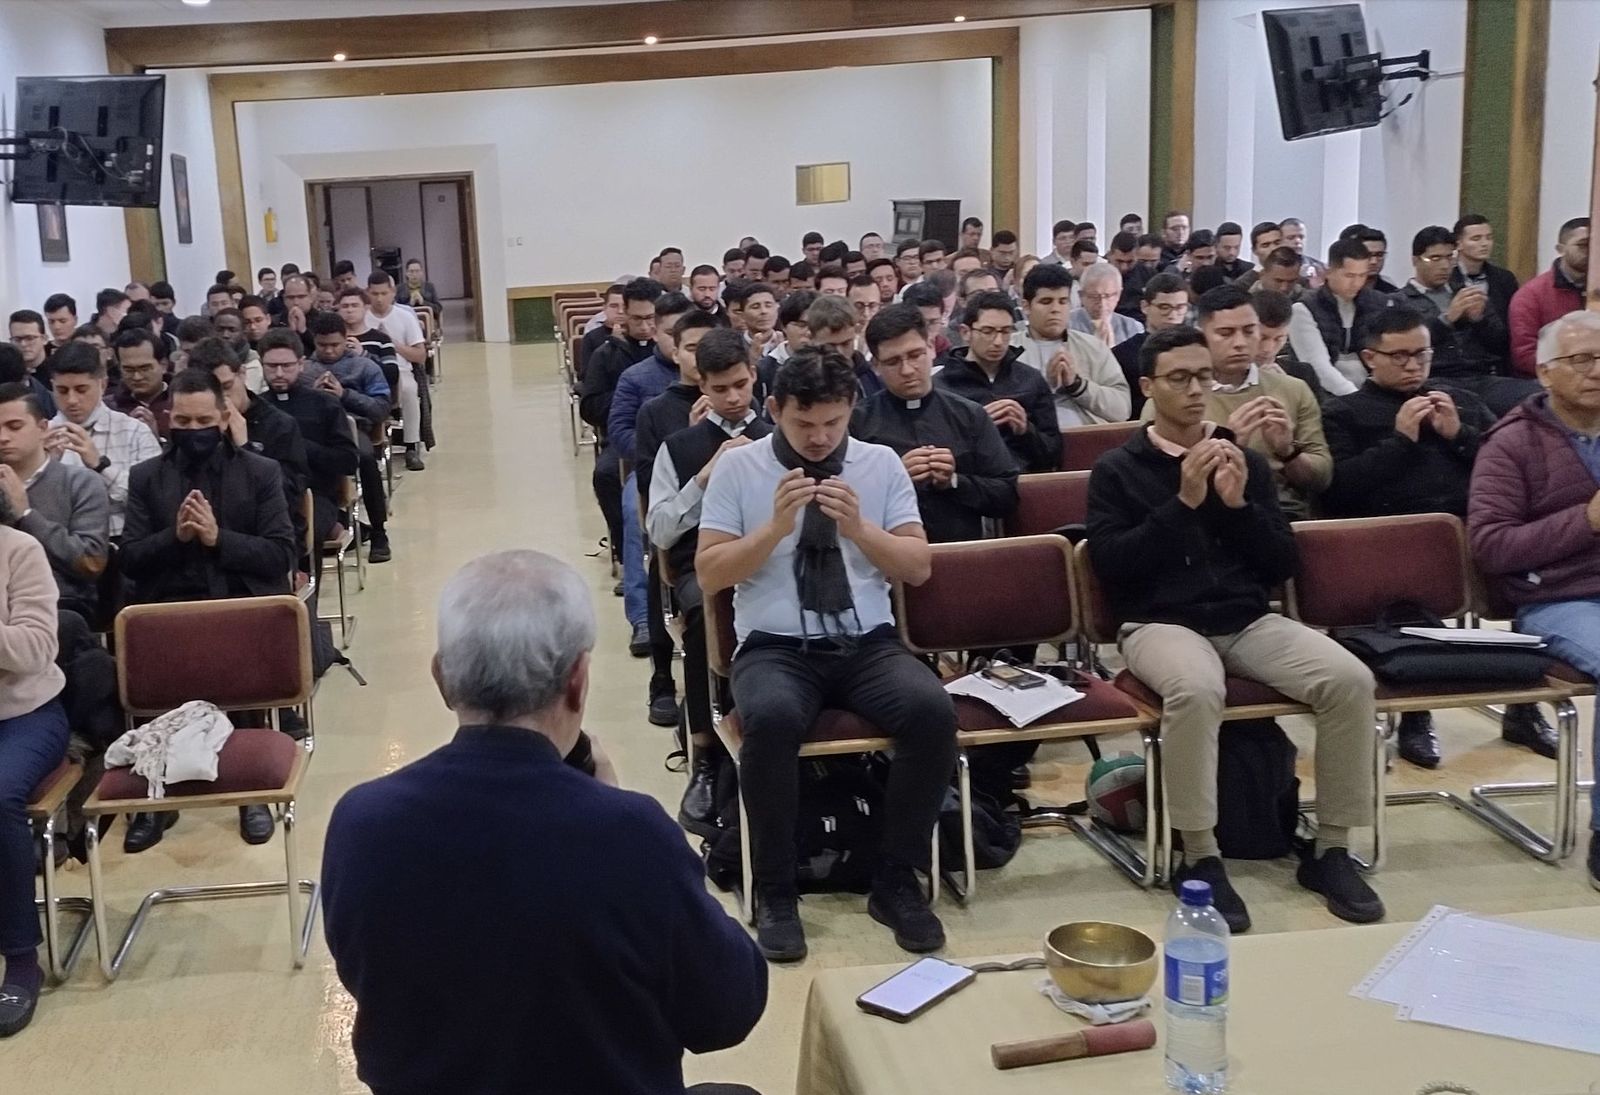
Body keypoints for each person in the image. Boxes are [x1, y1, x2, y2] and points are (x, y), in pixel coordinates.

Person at [321, 550, 767, 1093]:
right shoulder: (629, 835)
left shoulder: (361, 824)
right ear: (578, 680)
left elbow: (369, 977)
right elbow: (728, 1011)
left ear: (442, 677)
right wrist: (614, 807)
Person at [1087, 325, 1383, 932]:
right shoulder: (1118, 467)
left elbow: (1281, 565)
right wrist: (1184, 503)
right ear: (1147, 387)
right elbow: (1115, 570)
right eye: (1179, 378)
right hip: (1157, 624)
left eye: (1204, 377)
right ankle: (1202, 855)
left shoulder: (1241, 458)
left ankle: (1330, 847)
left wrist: (1241, 506)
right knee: (1197, 689)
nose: (1196, 390)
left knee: (1349, 678)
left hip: (1245, 620)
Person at [697, 347, 957, 962]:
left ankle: (896, 880)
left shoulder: (879, 464)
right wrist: (773, 531)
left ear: (850, 413)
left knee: (931, 711)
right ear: (774, 410)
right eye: (802, 424)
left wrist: (862, 529)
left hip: (866, 643)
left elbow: (917, 568)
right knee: (772, 718)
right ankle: (777, 891)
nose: (818, 438)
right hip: (776, 647)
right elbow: (709, 574)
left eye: (832, 423)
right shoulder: (741, 470)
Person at [121, 369, 296, 849]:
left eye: (203, 419)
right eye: (182, 419)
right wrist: (174, 539)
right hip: (169, 608)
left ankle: (250, 793)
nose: (192, 430)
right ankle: (156, 795)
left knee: (235, 641)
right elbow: (132, 560)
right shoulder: (147, 477)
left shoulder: (260, 473)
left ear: (224, 418)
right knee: (153, 646)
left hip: (236, 605)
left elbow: (281, 553)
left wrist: (220, 539)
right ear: (168, 419)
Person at [1469, 309, 1600, 889]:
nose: (1596, 371)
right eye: (1581, 360)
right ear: (1545, 373)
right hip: (1560, 598)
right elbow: (1493, 546)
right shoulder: (1512, 443)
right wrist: (1587, 520)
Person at [648, 327, 772, 837]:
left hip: (769, 557)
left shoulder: (777, 436)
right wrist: (704, 478)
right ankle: (702, 753)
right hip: (704, 567)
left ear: (754, 376)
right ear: (704, 386)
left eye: (741, 384)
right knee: (707, 611)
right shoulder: (680, 447)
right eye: (721, 389)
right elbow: (657, 528)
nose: (734, 398)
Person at [1159, 284, 1331, 519]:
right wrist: (1230, 443)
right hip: (1202, 516)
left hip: (1282, 515)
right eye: (1226, 333)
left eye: (1249, 331)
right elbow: (1157, 482)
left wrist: (1287, 451)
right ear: (1201, 335)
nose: (1240, 342)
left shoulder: (1293, 389)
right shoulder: (1174, 394)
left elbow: (1322, 478)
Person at [849, 304, 1017, 544]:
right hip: (885, 558)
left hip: (961, 552)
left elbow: (1007, 495)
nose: (907, 370)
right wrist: (894, 479)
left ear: (930, 348)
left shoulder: (970, 415)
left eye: (915, 355)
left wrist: (954, 481)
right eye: (893, 361)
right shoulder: (857, 423)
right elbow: (843, 506)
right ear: (876, 366)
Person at [0, 521, 67, 1038]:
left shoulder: (18, 550)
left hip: (27, 714)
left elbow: (36, 648)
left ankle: (22, 959)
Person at [612, 293, 694, 666]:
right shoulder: (637, 377)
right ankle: (643, 616)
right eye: (668, 333)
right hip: (651, 471)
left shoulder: (719, 380)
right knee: (634, 511)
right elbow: (618, 430)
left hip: (707, 472)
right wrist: (663, 453)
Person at [1393, 225, 1538, 416]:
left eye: (1449, 258)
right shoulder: (1399, 301)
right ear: (1415, 260)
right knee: (1473, 409)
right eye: (1435, 258)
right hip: (1435, 379)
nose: (1444, 266)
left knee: (1539, 396)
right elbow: (1405, 346)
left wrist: (1479, 320)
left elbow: (1500, 343)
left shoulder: (1466, 293)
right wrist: (1446, 319)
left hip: (1480, 376)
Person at [0, 383, 110, 623]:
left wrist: (27, 515)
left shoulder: (80, 482)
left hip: (62, 603)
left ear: (42, 428)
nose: (3, 437)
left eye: (14, 426)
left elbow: (91, 563)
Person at [192, 336, 309, 551]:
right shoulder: (193, 428)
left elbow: (289, 498)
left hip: (266, 538)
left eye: (226, 386)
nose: (221, 397)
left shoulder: (280, 425)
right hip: (204, 537)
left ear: (242, 374)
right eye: (211, 391)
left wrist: (245, 447)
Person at [46, 340, 161, 542]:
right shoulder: (39, 436)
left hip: (121, 541)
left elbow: (153, 499)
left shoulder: (134, 431)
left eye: (81, 389)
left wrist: (100, 465)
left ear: (103, 384)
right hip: (56, 545)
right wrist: (45, 467)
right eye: (62, 391)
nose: (72, 400)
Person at [935, 290, 1060, 473]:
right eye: (988, 331)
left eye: (1005, 331)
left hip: (1026, 481)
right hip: (972, 485)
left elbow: (1055, 455)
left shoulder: (1031, 380)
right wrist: (978, 427)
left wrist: (1026, 430)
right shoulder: (941, 387)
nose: (998, 341)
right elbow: (939, 456)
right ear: (965, 332)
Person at [259, 329, 361, 548]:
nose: (278, 373)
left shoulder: (324, 404)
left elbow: (348, 461)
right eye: (271, 366)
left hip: (317, 496)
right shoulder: (257, 408)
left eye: (286, 366)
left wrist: (298, 446)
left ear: (301, 364)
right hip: (267, 497)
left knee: (298, 534)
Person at [1014, 262, 1130, 427]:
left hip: (1086, 442)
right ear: (1026, 306)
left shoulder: (1094, 347)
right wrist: (1045, 386)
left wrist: (1077, 385)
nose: (1056, 309)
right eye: (1046, 302)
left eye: (1063, 301)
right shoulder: (1008, 350)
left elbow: (1122, 410)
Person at [1288, 238, 1394, 398]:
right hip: (1321, 396)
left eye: (1362, 275)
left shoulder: (1379, 303)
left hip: (1373, 391)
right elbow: (1318, 366)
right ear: (1328, 271)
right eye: (1349, 275)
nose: (1356, 283)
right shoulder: (1304, 308)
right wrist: (1356, 399)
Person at [1510, 217, 1590, 376]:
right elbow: (1524, 354)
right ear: (1560, 248)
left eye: (1595, 246)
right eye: (1583, 245)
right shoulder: (1531, 295)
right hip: (1555, 379)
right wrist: (1571, 372)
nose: (1591, 252)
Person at [365, 272, 428, 471]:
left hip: (400, 370)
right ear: (368, 293)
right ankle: (372, 445)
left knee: (409, 391)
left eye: (384, 293)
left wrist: (391, 343)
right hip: (368, 371)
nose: (379, 298)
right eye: (375, 293)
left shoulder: (405, 317)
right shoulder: (362, 316)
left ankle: (411, 445)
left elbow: (420, 355)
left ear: (392, 292)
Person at [1113, 272, 1190, 418]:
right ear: (1145, 306)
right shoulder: (1122, 354)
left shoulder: (1196, 351)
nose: (1173, 315)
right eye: (1164, 307)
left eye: (1180, 307)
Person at [1450, 214, 1520, 373]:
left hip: (1496, 358)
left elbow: (1509, 322)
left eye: (1489, 238)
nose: (1485, 244)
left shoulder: (1504, 278)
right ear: (1459, 244)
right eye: (1476, 239)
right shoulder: (1447, 277)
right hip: (1459, 364)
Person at [107, 328, 173, 439]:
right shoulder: (109, 408)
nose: (137, 377)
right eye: (129, 370)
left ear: (163, 365)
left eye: (145, 368)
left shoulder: (181, 403)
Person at [1070, 262, 1144, 348]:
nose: (1102, 303)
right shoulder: (1066, 325)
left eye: (1108, 296)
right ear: (1081, 295)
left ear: (1118, 295)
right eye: (1094, 296)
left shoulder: (1133, 328)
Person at [7, 311, 57, 416]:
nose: (23, 344)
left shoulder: (57, 372)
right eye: (17, 339)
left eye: (30, 338)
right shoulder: (7, 375)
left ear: (44, 339)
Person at [1279, 217, 1326, 285]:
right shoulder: (1271, 266)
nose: (1298, 241)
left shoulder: (1319, 268)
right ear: (1280, 240)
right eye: (1291, 238)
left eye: (1301, 237)